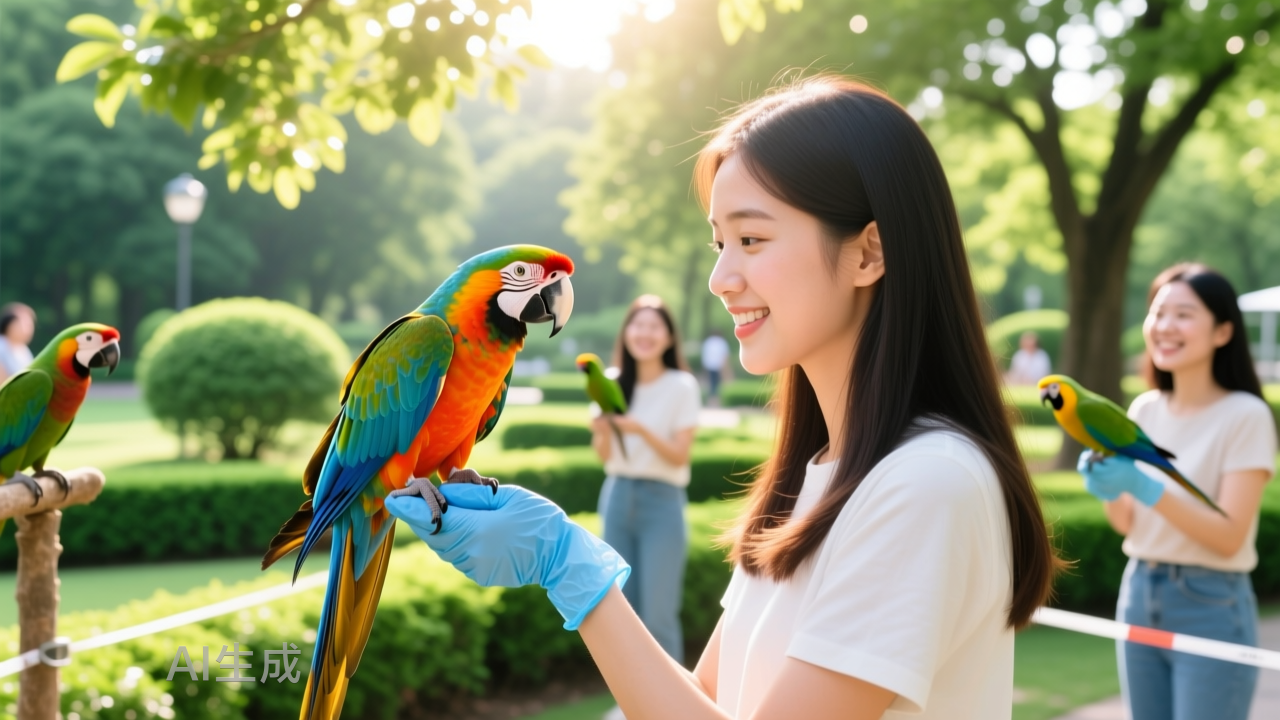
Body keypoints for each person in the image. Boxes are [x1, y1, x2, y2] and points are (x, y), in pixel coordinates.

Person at [386, 76, 1059, 719]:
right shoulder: (818, 479)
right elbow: (705, 703)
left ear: (868, 253)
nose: (719, 278)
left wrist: (570, 568)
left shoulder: (927, 484)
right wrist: (563, 559)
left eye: (751, 239)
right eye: (718, 243)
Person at [1077, 263, 1274, 720]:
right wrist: (1109, 488)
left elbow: (1229, 537)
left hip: (1212, 604)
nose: (1165, 326)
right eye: (1158, 312)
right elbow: (1127, 523)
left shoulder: (1246, 416)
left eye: (1183, 314)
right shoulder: (1144, 409)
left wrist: (1144, 486)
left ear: (1223, 331)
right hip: (1139, 592)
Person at [589, 294, 702, 664]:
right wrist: (604, 431)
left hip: (663, 502)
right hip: (618, 496)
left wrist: (638, 429)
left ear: (669, 338)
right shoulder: (608, 381)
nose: (645, 333)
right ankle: (628, 706)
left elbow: (679, 455)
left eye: (655, 327)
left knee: (659, 614)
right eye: (638, 325)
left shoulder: (682, 386)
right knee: (621, 612)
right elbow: (604, 454)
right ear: (626, 333)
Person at [0, 303, 37, 384]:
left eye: (31, 325)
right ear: (10, 325)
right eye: (26, 324)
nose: (30, 329)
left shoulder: (24, 350)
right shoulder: (2, 346)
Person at [701, 331, 730, 405]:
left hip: (710, 365)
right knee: (717, 383)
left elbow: (705, 354)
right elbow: (725, 355)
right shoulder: (722, 342)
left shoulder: (708, 341)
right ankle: (715, 399)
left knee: (711, 382)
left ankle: (711, 399)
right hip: (718, 365)